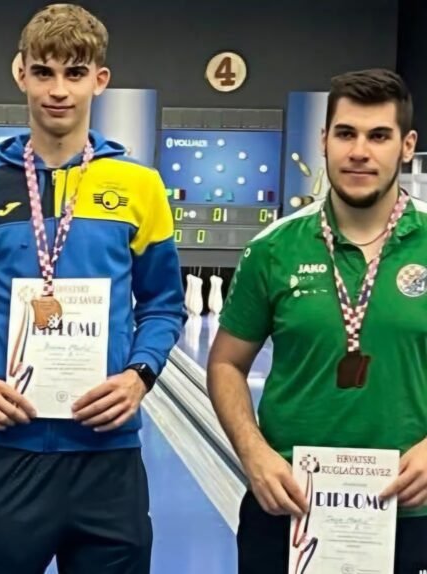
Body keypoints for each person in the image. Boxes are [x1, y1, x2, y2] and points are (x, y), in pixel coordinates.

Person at [0, 4, 186, 573]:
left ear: (100, 79)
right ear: (20, 73)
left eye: (75, 73)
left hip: (108, 455)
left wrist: (138, 375)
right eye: (44, 72)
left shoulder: (140, 187)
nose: (58, 90)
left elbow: (164, 305)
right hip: (6, 451)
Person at [208, 68, 427, 573]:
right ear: (324, 140)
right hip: (288, 504)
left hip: (413, 512)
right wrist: (254, 454)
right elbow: (225, 364)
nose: (359, 151)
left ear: (407, 146)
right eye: (346, 133)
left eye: (379, 136)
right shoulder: (272, 249)